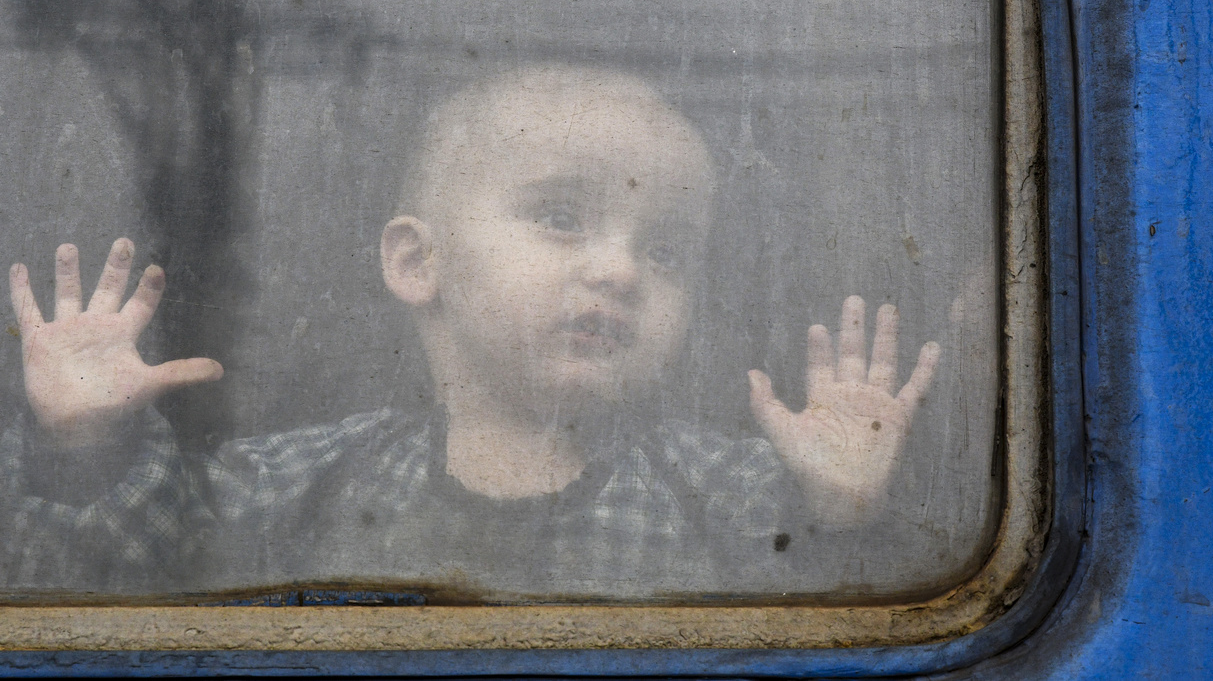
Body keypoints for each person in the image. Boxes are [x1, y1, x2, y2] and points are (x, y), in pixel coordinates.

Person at [1, 65, 939, 599]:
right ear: (418, 263)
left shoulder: (733, 496)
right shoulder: (305, 482)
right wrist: (86, 447)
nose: (619, 269)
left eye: (666, 252)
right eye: (563, 216)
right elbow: (129, 577)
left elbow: (842, 630)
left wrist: (840, 511)